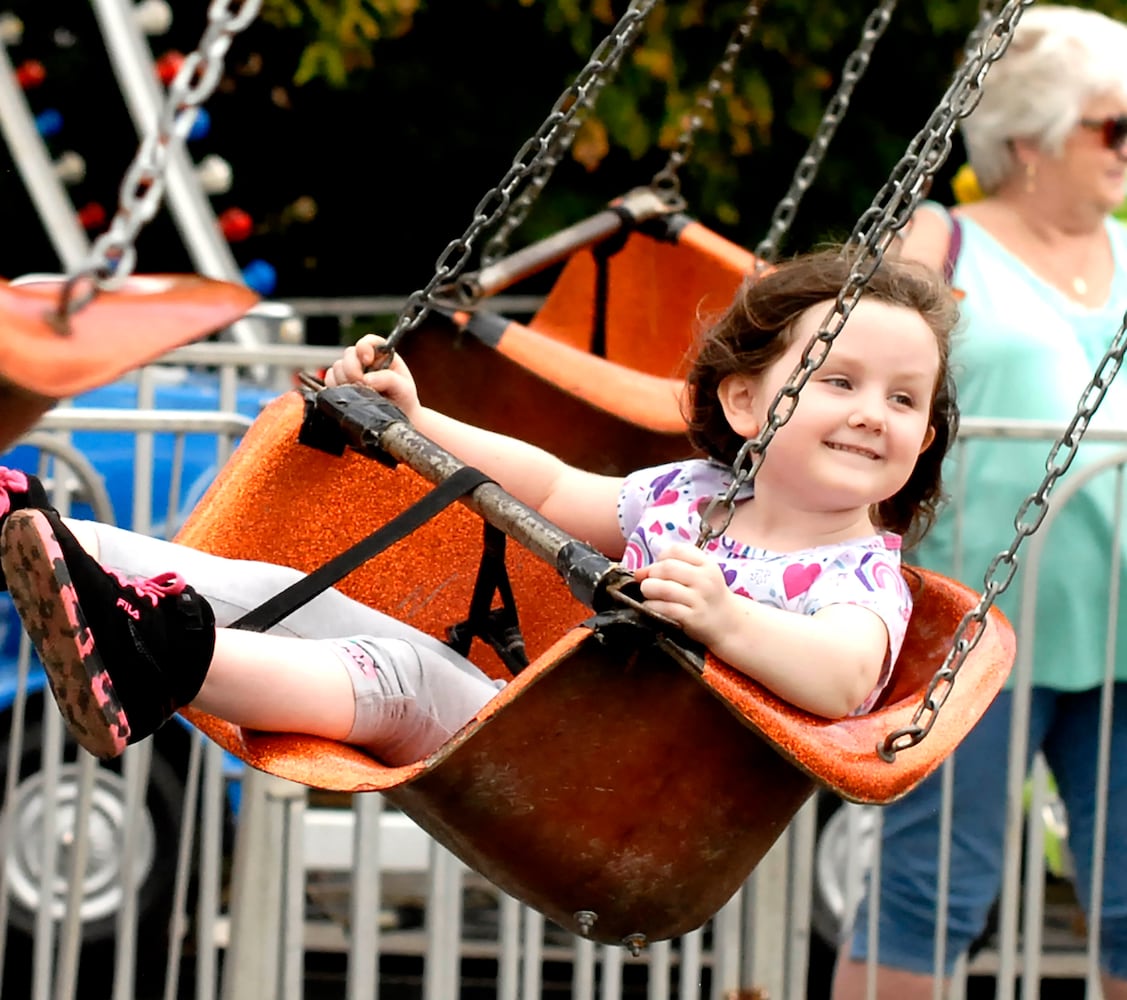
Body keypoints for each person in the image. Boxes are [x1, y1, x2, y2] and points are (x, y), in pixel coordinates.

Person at [0, 249, 956, 772]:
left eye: (904, 399)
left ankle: (166, 658)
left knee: (403, 674)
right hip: (536, 718)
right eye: (839, 382)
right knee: (282, 591)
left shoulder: (857, 575)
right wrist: (419, 420)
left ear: (924, 434)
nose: (874, 414)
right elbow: (541, 489)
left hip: (593, 781)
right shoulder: (689, 495)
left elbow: (840, 679)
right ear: (744, 402)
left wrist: (725, 618)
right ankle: (49, 537)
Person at [833, 5, 1127, 997]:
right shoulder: (937, 242)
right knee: (930, 883)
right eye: (1113, 128)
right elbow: (844, 379)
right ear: (1031, 137)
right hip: (977, 611)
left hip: (1123, 618)